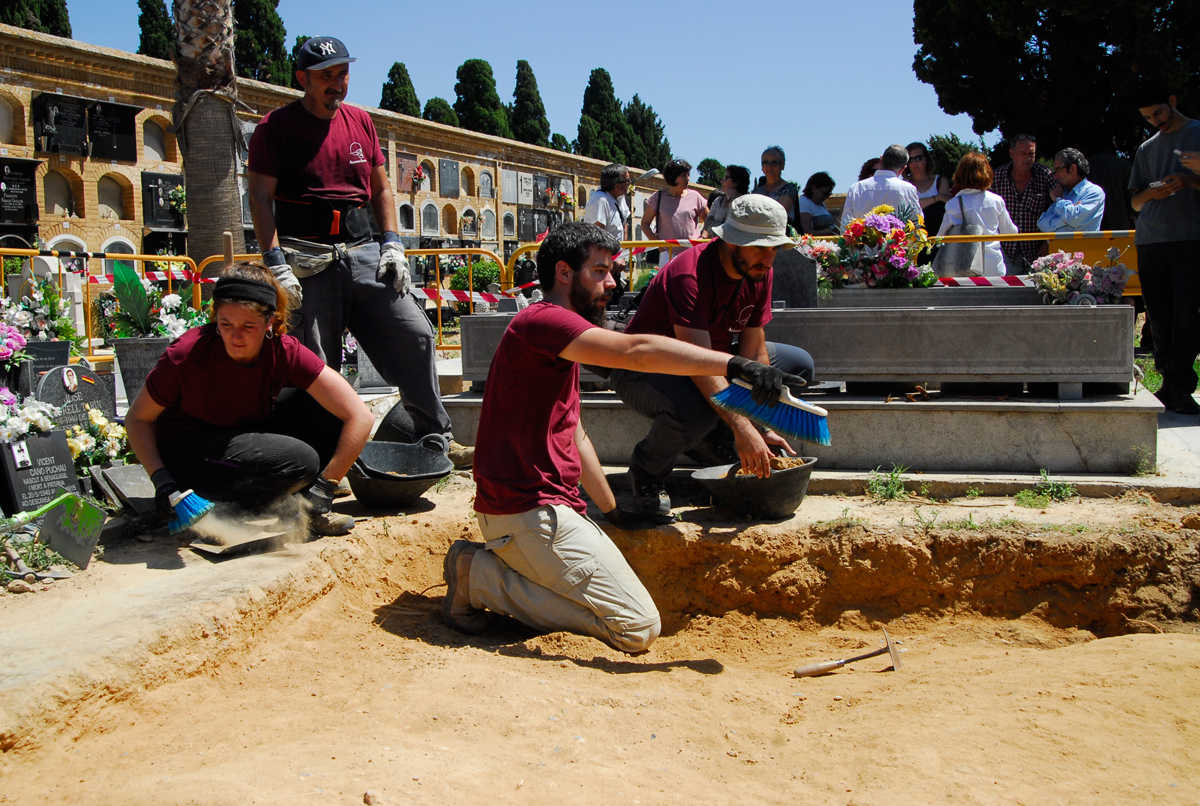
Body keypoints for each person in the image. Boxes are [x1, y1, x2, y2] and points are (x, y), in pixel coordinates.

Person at [441, 222, 804, 650]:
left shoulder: (559, 339)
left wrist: (613, 512)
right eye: (599, 271)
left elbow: (575, 432)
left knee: (612, 603)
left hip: (547, 512)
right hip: (527, 515)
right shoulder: (545, 322)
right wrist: (733, 365)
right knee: (636, 628)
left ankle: (502, 573)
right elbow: (635, 351)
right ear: (563, 272)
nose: (612, 283)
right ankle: (480, 579)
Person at [246, 36, 458, 458]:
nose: (337, 84)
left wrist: (393, 244)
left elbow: (381, 189)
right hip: (307, 256)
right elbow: (259, 198)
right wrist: (275, 262)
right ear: (302, 78)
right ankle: (325, 457)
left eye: (343, 74)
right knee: (317, 363)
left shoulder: (360, 121)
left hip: (364, 252)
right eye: (327, 76)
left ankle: (433, 437)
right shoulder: (275, 129)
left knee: (414, 334)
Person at [125, 263, 374, 537]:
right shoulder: (186, 354)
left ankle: (309, 506)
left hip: (241, 435)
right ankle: (225, 506)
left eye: (248, 326)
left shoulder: (283, 350)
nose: (235, 336)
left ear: (270, 322)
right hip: (192, 452)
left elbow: (359, 416)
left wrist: (326, 485)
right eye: (226, 324)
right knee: (301, 461)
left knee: (323, 409)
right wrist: (162, 481)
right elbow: (138, 418)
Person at [611, 195, 815, 516]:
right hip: (645, 369)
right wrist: (743, 429)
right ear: (732, 243)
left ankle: (711, 443)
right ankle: (646, 475)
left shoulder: (758, 270)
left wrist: (761, 426)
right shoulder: (688, 276)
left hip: (714, 358)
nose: (769, 257)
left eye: (774, 247)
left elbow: (754, 352)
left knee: (796, 365)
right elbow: (698, 365)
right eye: (760, 246)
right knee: (696, 410)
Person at [1128, 88, 1200, 415]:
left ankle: (1181, 385)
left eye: (1157, 113)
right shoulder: (1147, 148)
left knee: (1187, 314)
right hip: (1151, 239)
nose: (1154, 121)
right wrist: (1153, 195)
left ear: (1172, 101)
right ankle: (1169, 384)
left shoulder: (1196, 132)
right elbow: (1134, 201)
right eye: (1146, 118)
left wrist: (1187, 180)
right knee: (1158, 316)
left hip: (1190, 236)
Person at [937, 151, 1018, 276]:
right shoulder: (996, 200)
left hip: (963, 266)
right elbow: (1010, 232)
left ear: (960, 174)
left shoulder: (953, 204)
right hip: (993, 264)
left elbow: (940, 237)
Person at [991, 134, 1054, 273]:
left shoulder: (1045, 176)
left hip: (1037, 253)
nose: (1027, 158)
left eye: (1031, 154)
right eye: (1023, 153)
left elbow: (1058, 211)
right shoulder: (996, 178)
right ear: (1012, 154)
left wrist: (1047, 243)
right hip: (1003, 253)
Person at [641, 158, 707, 266]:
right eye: (684, 175)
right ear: (672, 177)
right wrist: (659, 246)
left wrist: (703, 238)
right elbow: (645, 224)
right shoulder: (658, 197)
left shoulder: (695, 196)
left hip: (692, 253)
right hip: (668, 255)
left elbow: (710, 220)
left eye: (688, 175)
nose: (688, 179)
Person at [841, 145, 921, 227]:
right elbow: (916, 223)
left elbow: (846, 224)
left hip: (861, 239)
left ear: (881, 159)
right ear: (903, 168)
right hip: (898, 239)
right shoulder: (908, 189)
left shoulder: (856, 188)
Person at [583, 163, 630, 297]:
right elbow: (597, 234)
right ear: (615, 183)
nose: (628, 184)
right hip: (603, 265)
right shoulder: (600, 200)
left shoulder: (619, 199)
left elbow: (623, 225)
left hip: (616, 262)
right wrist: (609, 259)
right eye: (626, 181)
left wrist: (623, 255)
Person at [1036, 148, 1106, 233]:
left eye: (1058, 169)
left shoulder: (1094, 192)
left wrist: (1059, 201)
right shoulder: (1063, 193)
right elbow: (1042, 224)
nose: (1055, 176)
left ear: (1072, 169)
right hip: (1058, 246)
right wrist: (1067, 218)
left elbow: (1074, 219)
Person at [904, 141, 951, 235]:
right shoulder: (904, 185)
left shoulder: (940, 181)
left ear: (926, 159)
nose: (915, 163)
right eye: (911, 159)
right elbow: (909, 210)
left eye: (918, 158)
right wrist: (936, 198)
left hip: (938, 237)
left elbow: (949, 203)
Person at [752, 146, 802, 232]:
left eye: (774, 162)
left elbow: (779, 214)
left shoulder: (789, 189)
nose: (769, 166)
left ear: (782, 165)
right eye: (765, 162)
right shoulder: (757, 191)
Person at [703, 164, 750, 236]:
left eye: (726, 177)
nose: (722, 180)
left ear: (736, 182)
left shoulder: (744, 203)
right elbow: (708, 222)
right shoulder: (718, 201)